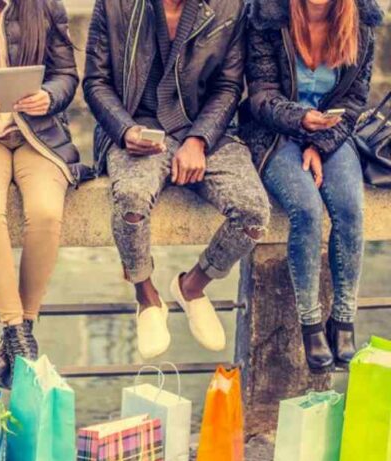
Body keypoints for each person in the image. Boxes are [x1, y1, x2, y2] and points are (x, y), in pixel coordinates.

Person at [83, 0, 271, 360]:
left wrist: (198, 139)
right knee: (131, 199)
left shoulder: (230, 7)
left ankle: (192, 286)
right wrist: (124, 130)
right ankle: (146, 295)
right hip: (135, 127)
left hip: (203, 129)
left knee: (253, 212)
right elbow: (95, 82)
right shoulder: (112, 5)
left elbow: (229, 87)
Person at [0, 0, 89, 388]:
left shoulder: (44, 7)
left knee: (45, 211)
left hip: (38, 136)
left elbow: (66, 75)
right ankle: (17, 332)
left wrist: (49, 96)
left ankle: (20, 329)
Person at [241, 0, 382, 373]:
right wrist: (302, 121)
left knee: (350, 209)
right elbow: (261, 95)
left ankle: (344, 319)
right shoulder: (267, 17)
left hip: (332, 135)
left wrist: (320, 144)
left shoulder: (362, 23)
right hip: (274, 133)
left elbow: (354, 100)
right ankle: (311, 323)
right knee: (305, 208)